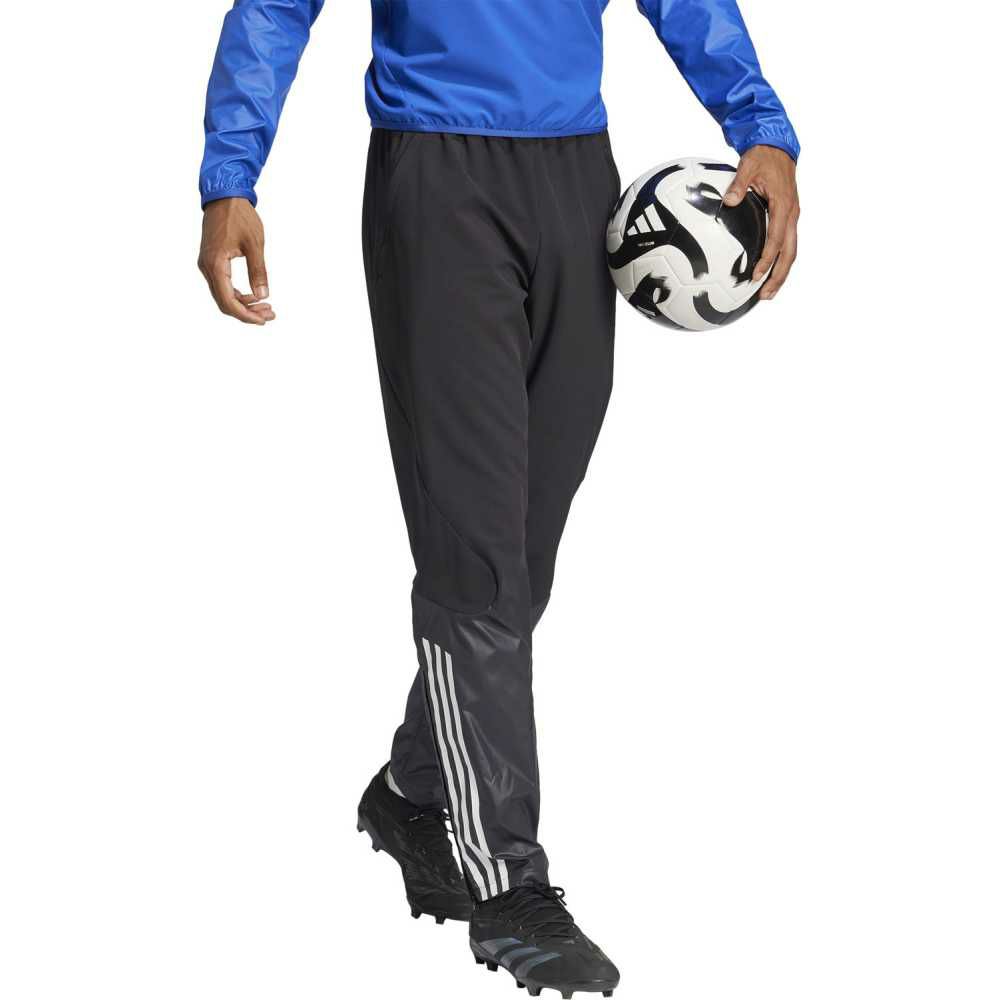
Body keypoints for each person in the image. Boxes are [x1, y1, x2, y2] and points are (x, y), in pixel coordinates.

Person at [198, 2, 800, 994]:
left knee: (520, 554)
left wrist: (761, 126)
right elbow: (273, 8)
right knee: (473, 558)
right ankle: (507, 885)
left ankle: (414, 786)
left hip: (577, 178)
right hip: (438, 178)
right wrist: (231, 174)